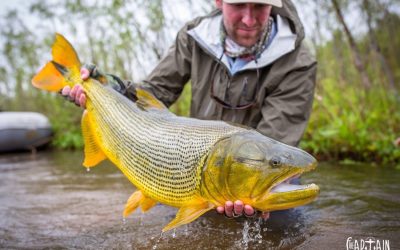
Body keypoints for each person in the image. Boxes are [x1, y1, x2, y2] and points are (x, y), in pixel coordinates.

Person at [62, 0, 317, 220]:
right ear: (218, 1)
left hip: (251, 169)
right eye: (238, 4)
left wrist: (239, 189)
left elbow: (276, 143)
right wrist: (109, 86)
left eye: (260, 6)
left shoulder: (298, 61)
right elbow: (154, 92)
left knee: (282, 227)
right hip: (185, 163)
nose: (249, 19)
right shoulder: (194, 37)